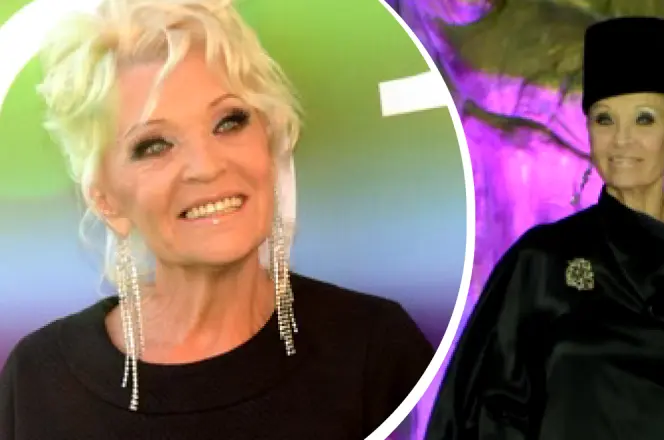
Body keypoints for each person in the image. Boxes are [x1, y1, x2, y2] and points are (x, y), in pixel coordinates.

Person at [0, 1, 434, 438]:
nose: (206, 166)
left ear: (269, 142)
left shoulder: (377, 351)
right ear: (107, 201)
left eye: (229, 121)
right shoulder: (36, 380)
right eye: (154, 145)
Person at [424, 16, 664, 440]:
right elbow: (478, 414)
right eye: (605, 120)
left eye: (644, 119)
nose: (622, 139)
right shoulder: (539, 265)